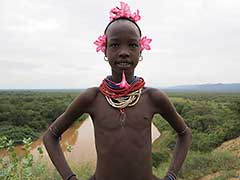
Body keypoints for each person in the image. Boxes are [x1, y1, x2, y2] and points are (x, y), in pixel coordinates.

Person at [43, 2, 192, 180]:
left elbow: (184, 134)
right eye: (114, 45)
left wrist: (171, 176)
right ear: (104, 50)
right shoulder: (92, 98)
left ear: (140, 51)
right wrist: (70, 178)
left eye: (132, 45)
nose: (123, 52)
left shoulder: (153, 98)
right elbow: (50, 137)